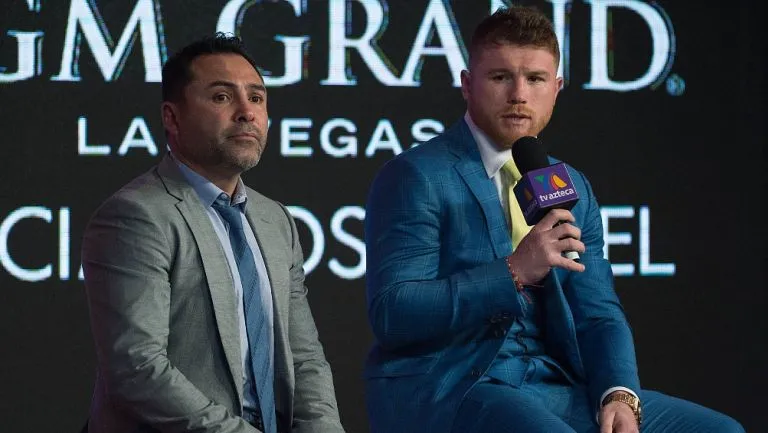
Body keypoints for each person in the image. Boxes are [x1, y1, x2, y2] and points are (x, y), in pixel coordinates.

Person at [363, 6, 743, 433]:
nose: (519, 95)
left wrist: (618, 394)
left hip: (554, 386)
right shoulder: (418, 175)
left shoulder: (568, 184)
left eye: (536, 79)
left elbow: (598, 311)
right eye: (500, 77)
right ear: (467, 84)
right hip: (454, 384)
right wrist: (513, 272)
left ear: (557, 87)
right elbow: (393, 313)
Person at [82, 33, 345, 433]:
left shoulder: (276, 220)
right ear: (172, 117)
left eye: (256, 98)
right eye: (222, 97)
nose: (246, 112)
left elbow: (304, 356)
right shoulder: (136, 215)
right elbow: (137, 369)